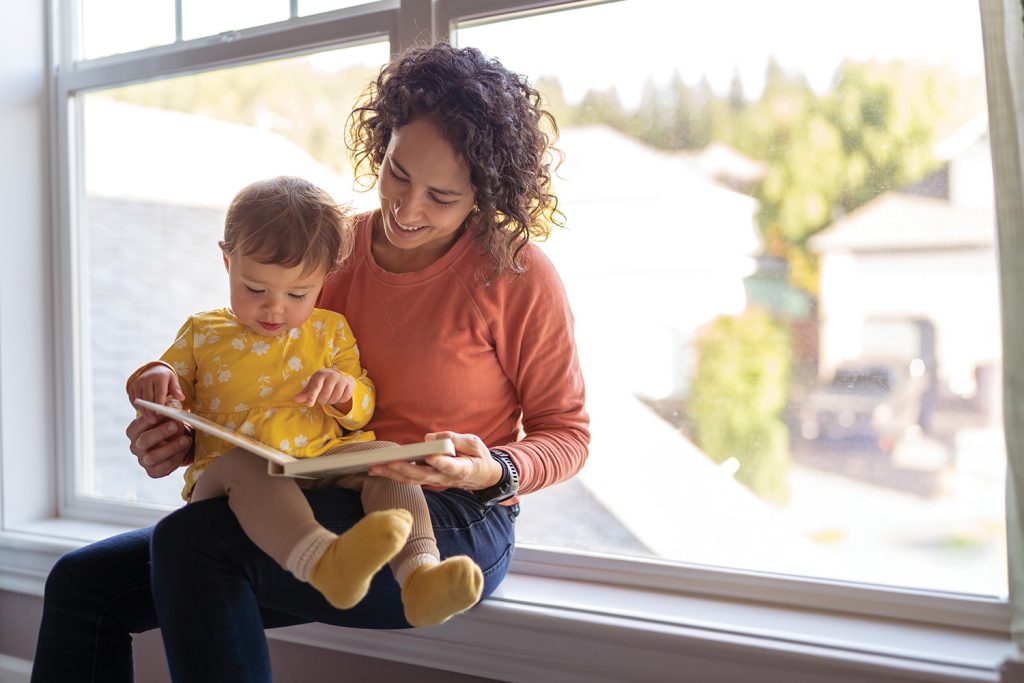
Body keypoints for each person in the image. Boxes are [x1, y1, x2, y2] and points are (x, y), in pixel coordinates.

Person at [31, 42, 589, 683]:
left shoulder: (514, 273)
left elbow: (568, 433)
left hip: (448, 518)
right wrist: (181, 437)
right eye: (398, 173)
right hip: (310, 487)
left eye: (441, 196)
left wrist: (489, 467)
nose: (408, 209)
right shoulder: (329, 249)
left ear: (484, 196)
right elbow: (258, 375)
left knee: (193, 544)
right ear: (383, 141)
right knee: (82, 586)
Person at [126, 175, 483, 628]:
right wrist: (154, 375)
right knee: (247, 465)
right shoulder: (204, 331)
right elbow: (164, 381)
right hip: (230, 474)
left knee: (388, 459)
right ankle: (323, 562)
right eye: (255, 289)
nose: (274, 309)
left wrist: (344, 392)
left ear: (325, 277)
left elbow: (363, 406)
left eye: (297, 294)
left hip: (318, 461)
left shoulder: (330, 330)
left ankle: (420, 576)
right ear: (226, 261)